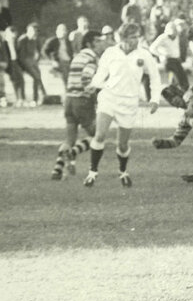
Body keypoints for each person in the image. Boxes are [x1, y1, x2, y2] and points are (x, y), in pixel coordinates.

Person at [83, 22, 162, 188]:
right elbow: (100, 74)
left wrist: (155, 99)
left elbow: (155, 77)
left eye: (137, 36)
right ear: (123, 38)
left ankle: (123, 171)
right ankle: (92, 172)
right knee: (100, 135)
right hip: (109, 98)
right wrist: (93, 84)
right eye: (132, 37)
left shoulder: (144, 55)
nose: (136, 40)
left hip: (129, 103)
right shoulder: (110, 53)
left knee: (123, 144)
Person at [51, 30, 108, 180]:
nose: (102, 44)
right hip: (82, 101)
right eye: (98, 41)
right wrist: (96, 96)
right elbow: (86, 79)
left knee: (70, 139)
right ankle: (72, 153)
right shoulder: (92, 58)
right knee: (98, 135)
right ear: (89, 43)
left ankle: (57, 170)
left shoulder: (78, 56)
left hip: (69, 100)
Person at [16, 22, 47, 105]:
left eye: (36, 31)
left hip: (32, 61)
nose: (34, 33)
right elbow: (21, 56)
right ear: (28, 30)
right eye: (32, 30)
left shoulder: (35, 39)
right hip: (23, 63)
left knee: (38, 77)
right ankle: (37, 98)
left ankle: (40, 98)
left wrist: (36, 61)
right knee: (36, 77)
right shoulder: (23, 39)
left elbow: (39, 52)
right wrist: (29, 64)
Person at [43, 23, 74, 92]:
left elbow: (71, 53)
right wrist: (52, 60)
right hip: (59, 62)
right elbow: (44, 51)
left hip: (69, 62)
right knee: (66, 77)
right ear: (57, 31)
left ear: (66, 32)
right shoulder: (53, 41)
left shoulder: (68, 42)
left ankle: (70, 91)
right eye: (61, 30)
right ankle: (68, 91)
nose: (63, 32)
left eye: (64, 30)